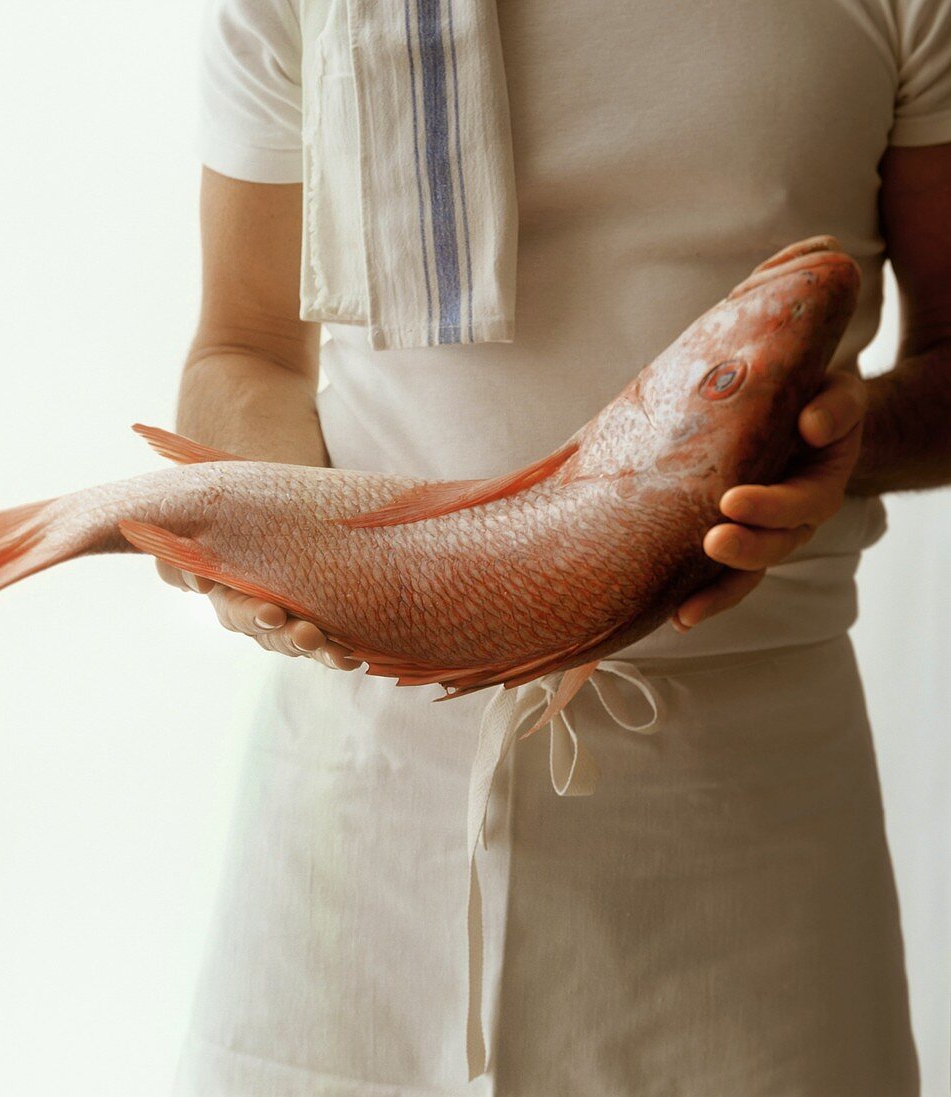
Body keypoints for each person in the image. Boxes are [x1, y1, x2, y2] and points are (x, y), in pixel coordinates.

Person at [163, 0, 951, 1093]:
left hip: (749, 809)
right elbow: (243, 345)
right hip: (365, 784)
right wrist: (262, 531)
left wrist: (845, 440)